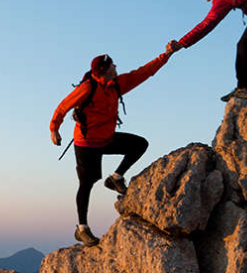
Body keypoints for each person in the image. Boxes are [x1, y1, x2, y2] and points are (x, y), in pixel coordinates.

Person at [50, 43, 177, 246]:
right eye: (113, 66)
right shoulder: (87, 88)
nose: (116, 67)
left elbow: (144, 73)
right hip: (87, 143)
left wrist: (166, 55)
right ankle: (82, 229)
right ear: (105, 70)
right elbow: (63, 107)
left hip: (106, 138)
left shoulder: (116, 84)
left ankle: (115, 178)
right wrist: (54, 129)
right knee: (87, 183)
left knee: (139, 144)